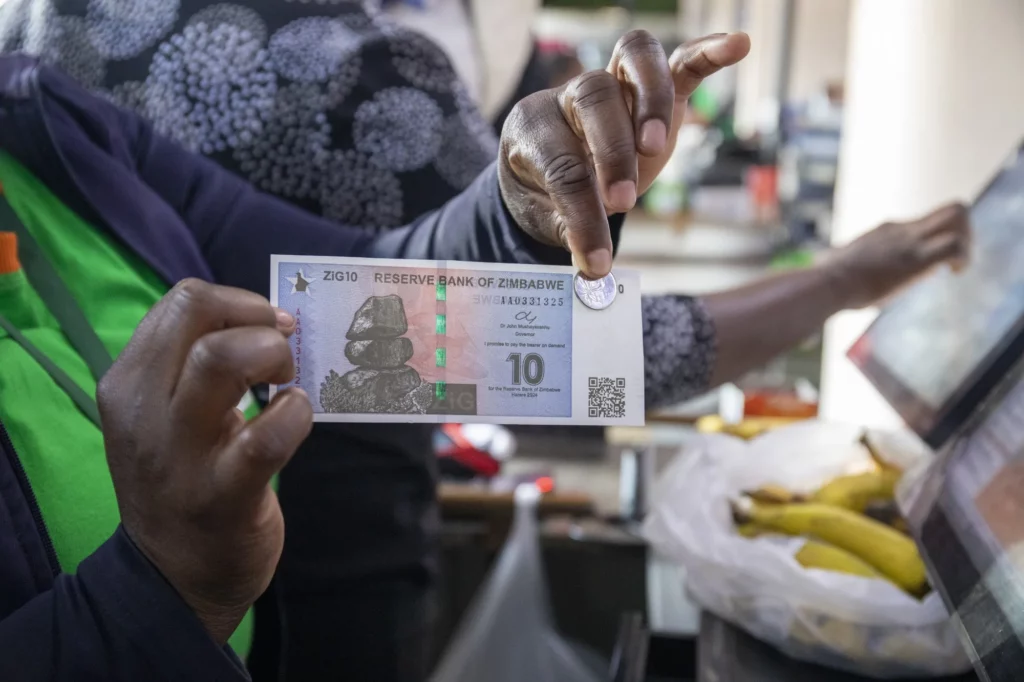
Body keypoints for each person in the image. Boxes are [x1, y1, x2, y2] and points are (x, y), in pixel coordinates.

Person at [0, 6, 972, 681]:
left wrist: (516, 217)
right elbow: (558, 347)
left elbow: (377, 285)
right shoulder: (349, 69)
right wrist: (162, 589)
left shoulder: (42, 115)